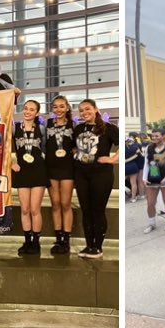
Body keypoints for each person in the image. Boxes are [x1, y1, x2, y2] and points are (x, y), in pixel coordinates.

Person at [73, 99, 119, 259]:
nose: (84, 113)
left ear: (95, 109)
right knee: (86, 211)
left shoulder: (108, 128)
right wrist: (76, 153)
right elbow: (74, 146)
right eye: (81, 110)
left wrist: (113, 159)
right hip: (81, 175)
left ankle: (97, 246)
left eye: (87, 109)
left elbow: (124, 145)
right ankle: (88, 245)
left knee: (98, 210)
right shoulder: (78, 128)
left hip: (101, 175)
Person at [11, 100, 49, 255]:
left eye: (31, 109)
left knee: (34, 209)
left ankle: (36, 242)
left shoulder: (41, 128)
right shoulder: (15, 128)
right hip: (22, 171)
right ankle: (26, 241)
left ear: (37, 113)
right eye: (26, 109)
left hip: (38, 170)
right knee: (25, 209)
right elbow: (5, 147)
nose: (27, 112)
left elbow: (47, 148)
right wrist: (11, 162)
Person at [45, 96, 77, 254]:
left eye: (61, 106)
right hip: (51, 168)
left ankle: (66, 239)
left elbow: (79, 144)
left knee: (65, 203)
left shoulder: (73, 125)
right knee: (55, 204)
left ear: (67, 108)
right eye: (55, 107)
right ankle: (58, 238)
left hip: (67, 169)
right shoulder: (47, 124)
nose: (58, 110)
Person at [143, 130, 165, 233]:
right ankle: (151, 223)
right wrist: (144, 178)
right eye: (152, 136)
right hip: (152, 176)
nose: (154, 138)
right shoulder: (149, 147)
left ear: (163, 136)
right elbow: (146, 164)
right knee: (150, 203)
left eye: (156, 136)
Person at [124, 133, 144, 203]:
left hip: (125, 167)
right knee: (134, 183)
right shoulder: (135, 147)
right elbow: (141, 155)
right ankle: (134, 197)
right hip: (134, 166)